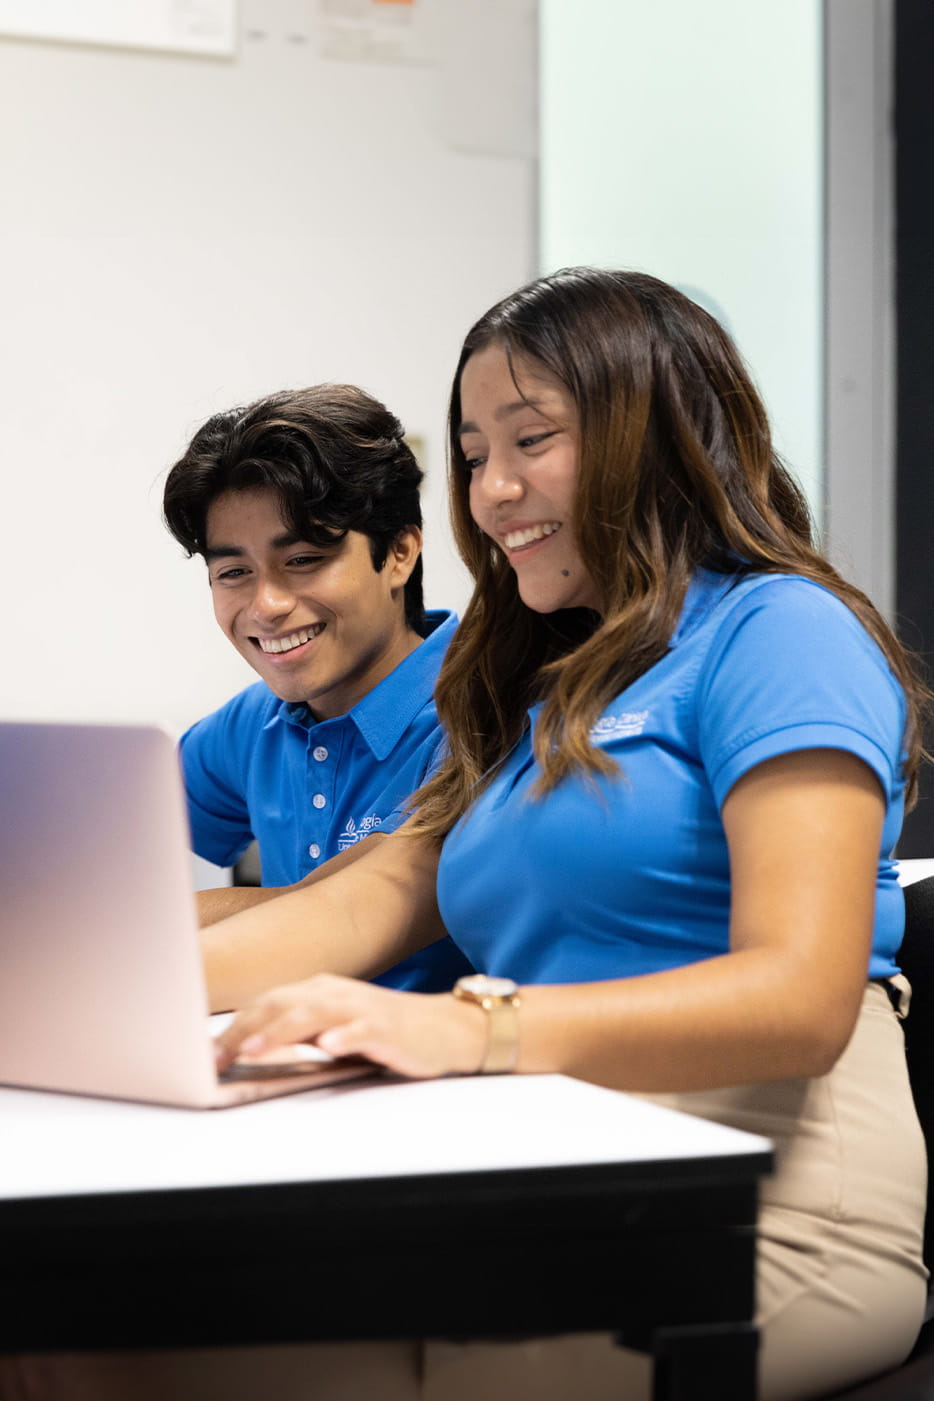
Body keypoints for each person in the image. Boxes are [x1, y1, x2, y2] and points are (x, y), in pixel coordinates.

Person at [208, 269, 929, 1401]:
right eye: (472, 452)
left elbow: (802, 996)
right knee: (86, 1340)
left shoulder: (780, 632)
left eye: (530, 440)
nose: (491, 491)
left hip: (765, 1210)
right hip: (567, 1186)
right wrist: (77, 977)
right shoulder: (538, 682)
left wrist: (464, 1029)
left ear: (656, 433)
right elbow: (359, 905)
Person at [162, 384, 472, 999]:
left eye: (303, 559)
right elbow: (95, 871)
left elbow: (358, 909)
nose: (267, 605)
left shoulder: (488, 708)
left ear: (400, 552)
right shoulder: (255, 723)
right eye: (232, 573)